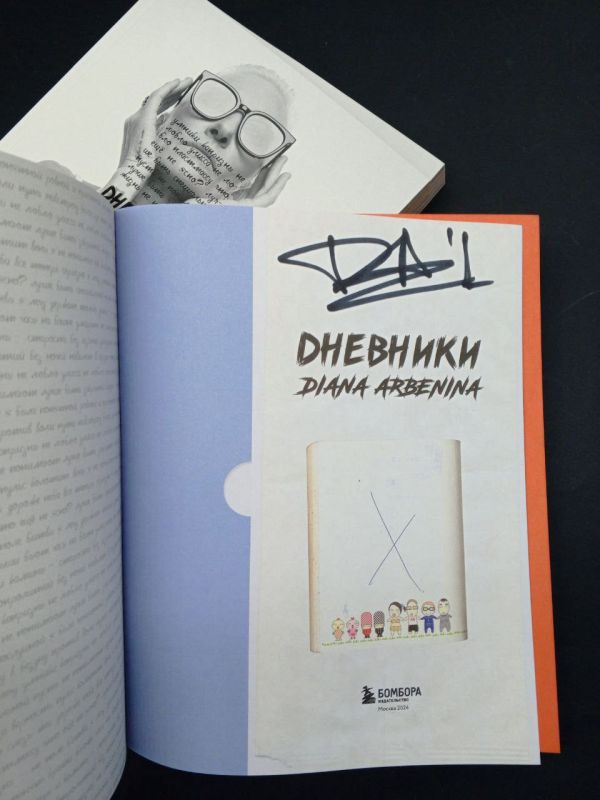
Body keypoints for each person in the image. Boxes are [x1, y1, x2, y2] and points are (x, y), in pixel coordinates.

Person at [101, 65, 294, 209]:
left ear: (247, 183)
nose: (225, 129)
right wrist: (125, 181)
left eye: (255, 133)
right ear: (159, 120)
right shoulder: (83, 205)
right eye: (215, 102)